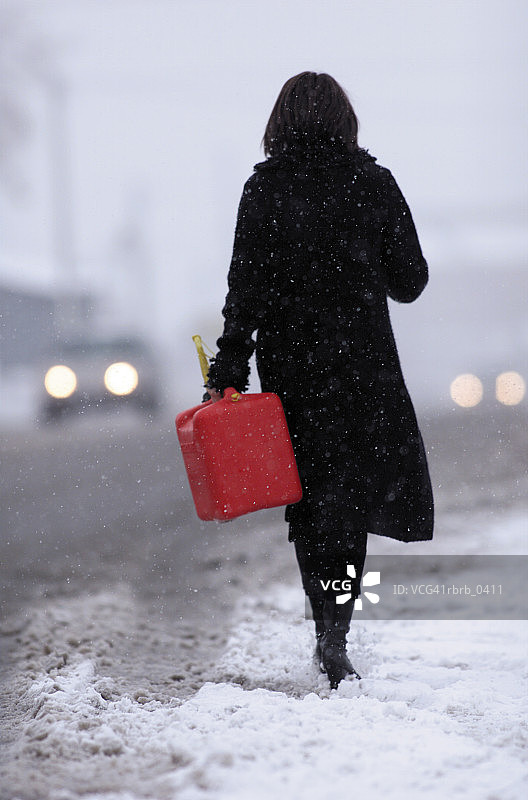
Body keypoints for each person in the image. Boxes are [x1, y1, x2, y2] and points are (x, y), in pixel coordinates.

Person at [205, 71, 434, 690]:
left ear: (279, 123)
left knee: (310, 507)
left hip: (296, 374)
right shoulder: (373, 183)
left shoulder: (264, 191)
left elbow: (242, 293)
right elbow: (411, 281)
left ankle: (323, 633)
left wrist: (227, 373)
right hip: (363, 369)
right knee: (352, 504)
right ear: (345, 120)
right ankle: (337, 635)